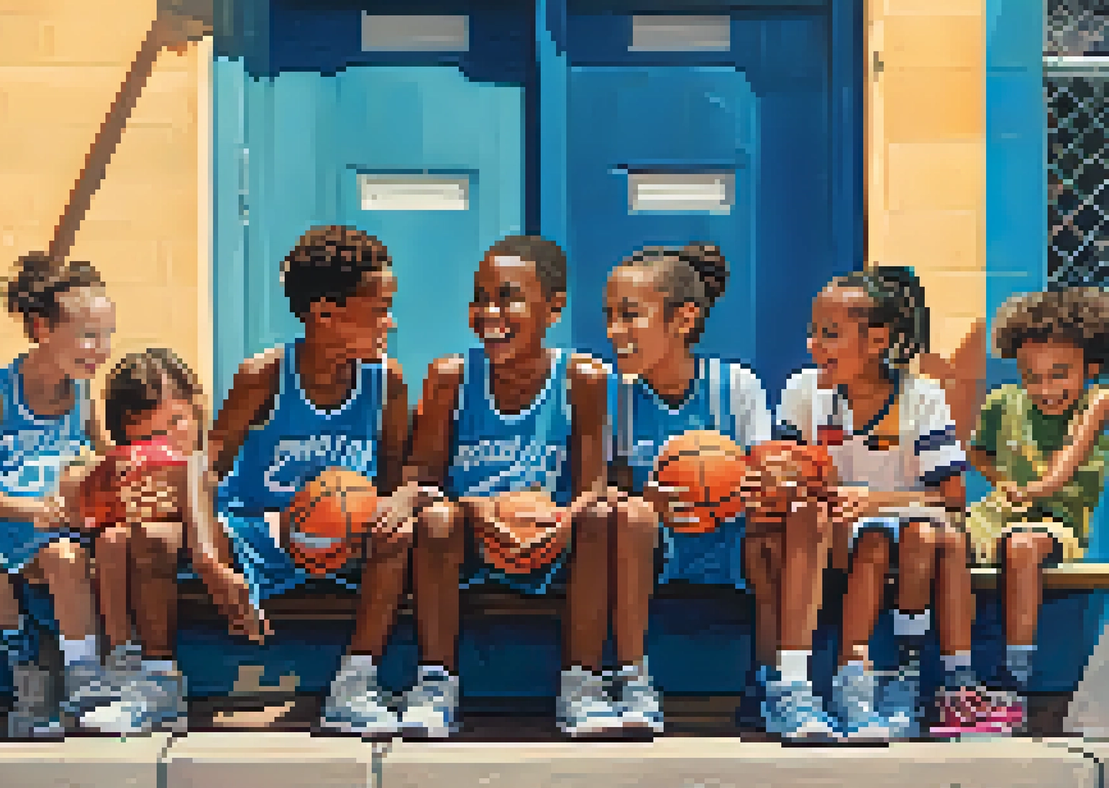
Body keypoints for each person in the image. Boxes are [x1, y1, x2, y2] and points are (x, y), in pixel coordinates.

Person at [205, 224, 432, 735]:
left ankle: (356, 681)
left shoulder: (386, 380)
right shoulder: (263, 374)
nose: (389, 323)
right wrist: (209, 561)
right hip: (262, 533)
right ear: (325, 313)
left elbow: (402, 475)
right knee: (154, 541)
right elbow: (205, 469)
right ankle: (152, 677)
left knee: (398, 531)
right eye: (378, 310)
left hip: (347, 537)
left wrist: (404, 498)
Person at [403, 235, 615, 738]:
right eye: (479, 297)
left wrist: (562, 519)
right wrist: (476, 509)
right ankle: (436, 683)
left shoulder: (581, 377)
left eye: (507, 297)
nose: (488, 312)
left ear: (554, 307)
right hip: (469, 540)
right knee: (435, 519)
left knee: (602, 518)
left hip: (549, 535)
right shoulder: (449, 376)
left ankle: (581, 684)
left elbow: (593, 485)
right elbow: (421, 478)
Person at [783, 266, 972, 741]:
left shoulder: (922, 397)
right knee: (831, 531)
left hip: (902, 531)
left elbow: (951, 497)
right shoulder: (803, 391)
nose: (814, 345)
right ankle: (796, 683)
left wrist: (874, 501)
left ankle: (888, 681)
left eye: (830, 334)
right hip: (827, 530)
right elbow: (781, 471)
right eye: (812, 332)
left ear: (877, 340)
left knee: (907, 537)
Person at [604, 242, 774, 737]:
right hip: (653, 545)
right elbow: (601, 488)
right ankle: (633, 679)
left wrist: (744, 490)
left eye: (630, 316)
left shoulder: (736, 386)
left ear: (683, 320)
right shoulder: (614, 396)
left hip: (731, 540)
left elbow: (763, 475)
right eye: (609, 316)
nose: (615, 331)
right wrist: (642, 500)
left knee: (783, 523)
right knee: (630, 518)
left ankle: (775, 682)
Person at [0, 254, 115, 738]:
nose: (99, 349)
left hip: (52, 538)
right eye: (87, 335)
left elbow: (109, 461)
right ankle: (26, 658)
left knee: (64, 555)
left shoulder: (86, 397)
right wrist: (34, 510)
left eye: (106, 336)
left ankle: (84, 675)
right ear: (42, 328)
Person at [81, 348, 266, 733]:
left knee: (142, 535)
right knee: (113, 539)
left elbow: (211, 487)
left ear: (197, 408)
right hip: (151, 546)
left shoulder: (209, 455)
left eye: (177, 421)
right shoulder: (125, 463)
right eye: (149, 435)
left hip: (220, 539)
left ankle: (145, 674)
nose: (165, 439)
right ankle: (123, 662)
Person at [964, 286, 1109, 735]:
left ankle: (1014, 683)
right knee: (941, 544)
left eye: (1059, 374)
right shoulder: (1002, 403)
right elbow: (978, 453)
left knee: (1022, 547)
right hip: (996, 513)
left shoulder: (1096, 401)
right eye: (1033, 376)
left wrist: (1037, 489)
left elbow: (1067, 460)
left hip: (1055, 520)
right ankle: (952, 679)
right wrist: (1001, 484)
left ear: (1091, 368)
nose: (1045, 389)